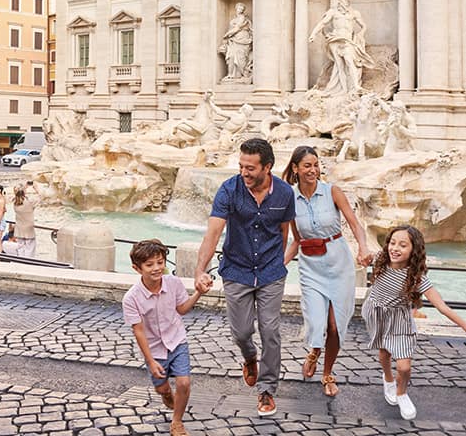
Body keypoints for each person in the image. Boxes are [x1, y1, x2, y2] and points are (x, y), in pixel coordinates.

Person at [194, 138, 295, 419]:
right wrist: (200, 270)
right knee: (240, 332)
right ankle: (250, 357)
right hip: (237, 269)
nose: (244, 172)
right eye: (241, 166)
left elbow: (284, 233)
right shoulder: (229, 189)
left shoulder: (285, 193)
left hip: (270, 272)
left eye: (250, 168)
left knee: (271, 331)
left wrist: (278, 263)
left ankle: (267, 389)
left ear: (268, 167)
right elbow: (213, 232)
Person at [363, 225, 466, 421]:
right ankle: (387, 380)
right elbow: (362, 256)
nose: (395, 248)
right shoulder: (380, 260)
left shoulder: (416, 278)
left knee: (404, 367)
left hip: (400, 321)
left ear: (414, 250)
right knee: (384, 351)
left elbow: (442, 307)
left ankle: (402, 393)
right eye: (392, 243)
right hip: (376, 313)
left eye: (403, 245)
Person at [283, 146, 372, 398]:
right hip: (311, 267)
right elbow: (295, 240)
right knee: (316, 320)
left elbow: (355, 224)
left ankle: (327, 373)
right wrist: (278, 265)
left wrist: (363, 248)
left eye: (316, 165)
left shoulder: (332, 191)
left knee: (334, 326)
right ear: (296, 169)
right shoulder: (289, 198)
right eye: (307, 166)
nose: (313, 170)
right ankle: (314, 350)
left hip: (339, 263)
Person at [124, 238, 212, 436]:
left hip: (177, 340)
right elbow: (138, 331)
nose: (156, 268)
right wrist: (150, 360)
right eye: (149, 265)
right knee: (163, 389)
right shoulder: (131, 298)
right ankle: (166, 395)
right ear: (137, 268)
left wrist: (198, 293)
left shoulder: (173, 283)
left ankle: (177, 422)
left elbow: (182, 309)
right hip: (154, 349)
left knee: (184, 383)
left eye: (160, 262)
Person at [308, 0, 374, 97]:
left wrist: (361, 33)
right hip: (335, 39)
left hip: (347, 40)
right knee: (339, 66)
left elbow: (363, 26)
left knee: (349, 61)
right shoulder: (332, 12)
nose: (338, 1)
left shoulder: (354, 13)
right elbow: (322, 23)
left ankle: (356, 86)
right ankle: (343, 89)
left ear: (346, 0)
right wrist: (313, 34)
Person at [219, 3, 254, 82]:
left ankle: (240, 75)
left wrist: (226, 35)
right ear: (236, 9)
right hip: (234, 40)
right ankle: (231, 75)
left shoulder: (242, 18)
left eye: (242, 9)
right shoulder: (233, 20)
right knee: (231, 56)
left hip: (243, 39)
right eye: (239, 8)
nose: (240, 10)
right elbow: (232, 29)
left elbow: (237, 28)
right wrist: (228, 38)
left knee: (240, 57)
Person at [12, 183, 40, 258]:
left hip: (19, 227)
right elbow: (41, 197)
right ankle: (28, 262)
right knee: (30, 247)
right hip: (29, 227)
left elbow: (17, 194)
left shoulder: (15, 203)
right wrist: (36, 189)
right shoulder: (29, 202)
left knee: (20, 246)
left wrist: (24, 187)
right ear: (24, 192)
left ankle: (21, 261)